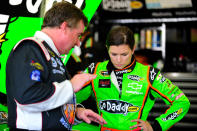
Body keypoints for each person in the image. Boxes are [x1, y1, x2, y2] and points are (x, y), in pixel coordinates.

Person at [6, 1, 106, 130]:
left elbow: (50, 104)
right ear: (64, 27)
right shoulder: (30, 47)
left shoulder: (51, 54)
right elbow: (28, 97)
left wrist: (76, 113)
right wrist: (71, 86)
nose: (78, 43)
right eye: (78, 35)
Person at [76, 26, 190, 131]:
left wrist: (157, 126)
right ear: (107, 49)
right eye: (114, 54)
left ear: (133, 49)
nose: (118, 60)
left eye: (124, 54)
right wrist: (77, 109)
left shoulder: (149, 74)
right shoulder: (94, 70)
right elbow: (69, 99)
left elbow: (182, 102)